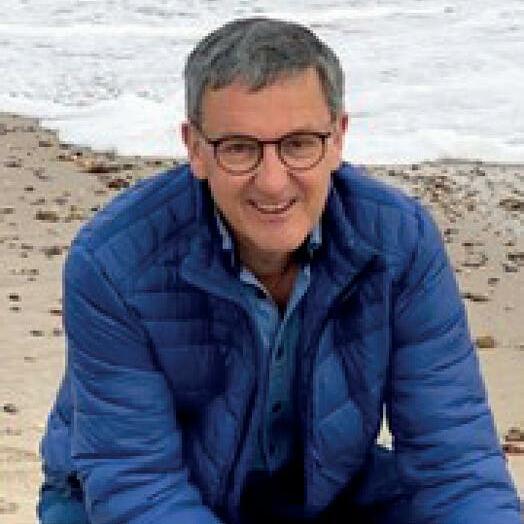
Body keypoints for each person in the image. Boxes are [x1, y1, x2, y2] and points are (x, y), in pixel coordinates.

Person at [38, 17, 520, 524]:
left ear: (337, 139)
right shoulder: (113, 262)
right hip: (131, 495)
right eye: (239, 147)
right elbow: (137, 482)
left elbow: (455, 462)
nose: (272, 181)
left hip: (324, 489)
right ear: (195, 149)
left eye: (299, 144)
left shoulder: (400, 241)